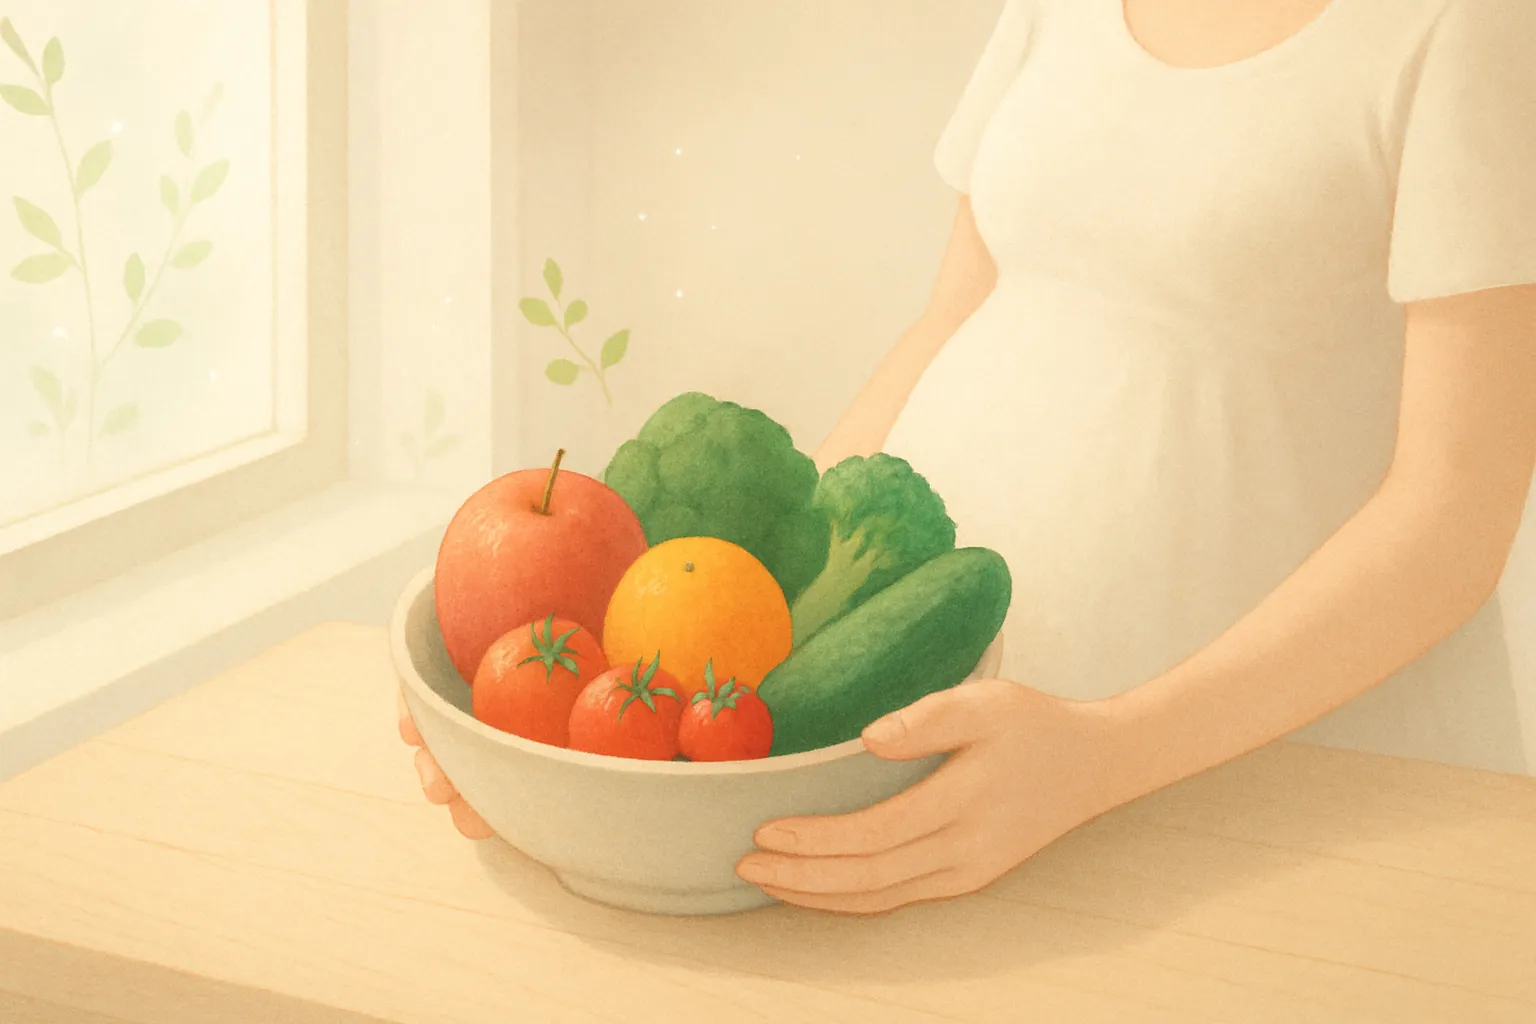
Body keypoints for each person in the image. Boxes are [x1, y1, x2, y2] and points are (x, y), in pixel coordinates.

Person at [400, 0, 1536, 914]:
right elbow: (950, 320)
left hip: (1270, 791)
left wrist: (1104, 753)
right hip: (970, 766)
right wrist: (667, 677)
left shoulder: (1469, 26)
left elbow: (1455, 519)